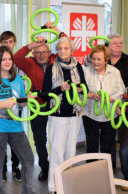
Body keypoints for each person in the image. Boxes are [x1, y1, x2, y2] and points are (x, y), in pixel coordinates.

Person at [13, 22, 64, 182]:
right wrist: (31, 45)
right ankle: (45, 167)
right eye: (37, 52)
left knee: (57, 138)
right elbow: (15, 58)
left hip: (57, 104)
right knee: (40, 140)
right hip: (37, 106)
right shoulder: (28, 63)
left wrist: (57, 31)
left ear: (49, 52)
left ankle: (59, 168)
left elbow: (68, 45)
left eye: (44, 52)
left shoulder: (56, 59)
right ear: (34, 53)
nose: (41, 55)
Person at [0, 45, 35, 194]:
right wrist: (4, 104)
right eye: (3, 59)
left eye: (9, 58)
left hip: (15, 126)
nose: (7, 61)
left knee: (29, 160)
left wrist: (27, 99)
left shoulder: (17, 79)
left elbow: (20, 103)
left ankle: (27, 191)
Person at [42, 37, 87, 193]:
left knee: (70, 153)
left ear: (71, 50)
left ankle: (67, 184)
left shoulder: (78, 66)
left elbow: (84, 87)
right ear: (57, 50)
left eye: (66, 48)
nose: (63, 51)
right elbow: (46, 94)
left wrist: (79, 88)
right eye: (60, 48)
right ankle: (54, 187)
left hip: (74, 115)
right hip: (57, 115)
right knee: (56, 152)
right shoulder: (51, 69)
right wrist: (60, 88)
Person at [82, 45, 124, 165]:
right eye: (93, 58)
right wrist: (91, 95)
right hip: (90, 114)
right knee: (92, 145)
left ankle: (107, 172)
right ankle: (91, 170)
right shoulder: (85, 72)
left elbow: (121, 90)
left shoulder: (115, 72)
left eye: (99, 59)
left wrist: (111, 98)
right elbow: (80, 90)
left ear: (106, 60)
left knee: (107, 145)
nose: (95, 62)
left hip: (110, 114)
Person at [0, 31, 21, 182]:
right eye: (5, 42)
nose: (8, 45)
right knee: (0, 141)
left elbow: (23, 84)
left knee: (15, 141)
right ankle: (1, 169)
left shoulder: (19, 63)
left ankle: (15, 168)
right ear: (1, 43)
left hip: (15, 110)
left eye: (11, 42)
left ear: (14, 43)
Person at [107, 33, 128, 189]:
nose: (118, 45)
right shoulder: (101, 59)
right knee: (107, 143)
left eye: (120, 43)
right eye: (114, 43)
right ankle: (109, 173)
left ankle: (127, 178)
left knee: (125, 143)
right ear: (108, 46)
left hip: (124, 108)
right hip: (104, 107)